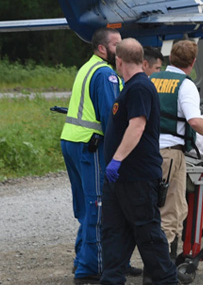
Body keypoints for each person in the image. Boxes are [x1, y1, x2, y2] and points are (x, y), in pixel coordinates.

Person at [62, 28, 140, 283]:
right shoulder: (106, 74)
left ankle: (82, 259)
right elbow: (111, 116)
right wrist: (120, 153)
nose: (121, 50)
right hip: (91, 146)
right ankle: (91, 269)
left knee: (85, 206)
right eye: (117, 45)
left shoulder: (87, 67)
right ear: (103, 49)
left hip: (72, 141)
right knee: (98, 206)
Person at [100, 38, 177, 285]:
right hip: (121, 177)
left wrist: (117, 160)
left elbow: (138, 125)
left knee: (148, 232)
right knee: (114, 231)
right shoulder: (129, 87)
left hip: (137, 176)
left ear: (118, 60)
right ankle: (111, 279)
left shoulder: (139, 88)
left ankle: (167, 280)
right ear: (141, 59)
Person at [149, 40, 203, 257]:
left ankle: (157, 267)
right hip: (170, 154)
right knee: (170, 212)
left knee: (155, 209)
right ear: (193, 62)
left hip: (147, 152)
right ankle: (161, 272)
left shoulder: (151, 79)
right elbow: (195, 121)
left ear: (170, 57)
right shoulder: (185, 85)